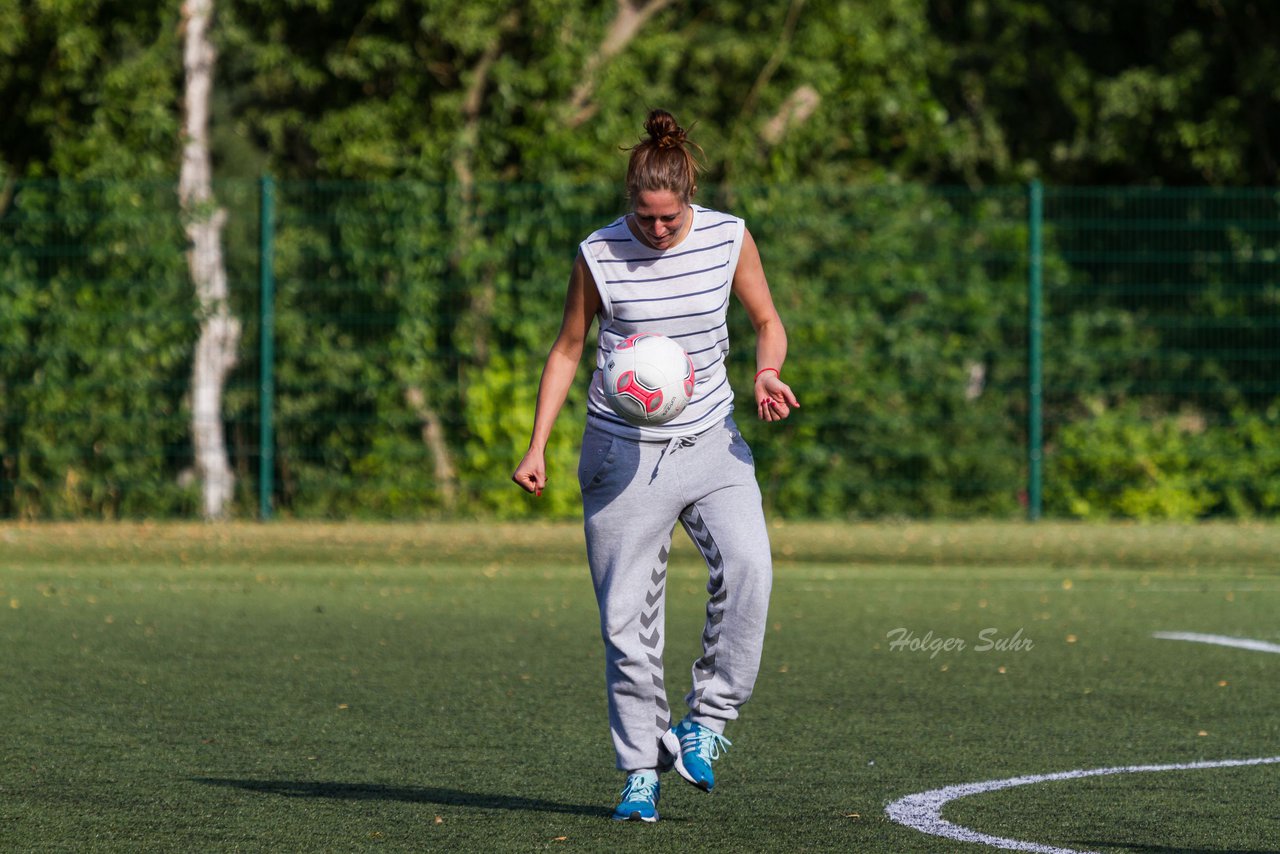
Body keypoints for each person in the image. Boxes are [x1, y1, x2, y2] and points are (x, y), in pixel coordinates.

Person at [512, 109, 799, 823]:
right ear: (629, 202)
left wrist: (768, 371)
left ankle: (705, 721)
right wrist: (537, 442)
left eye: (669, 218)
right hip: (620, 454)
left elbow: (767, 319)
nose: (658, 231)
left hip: (712, 444)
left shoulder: (729, 237)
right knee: (624, 622)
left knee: (751, 567)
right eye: (645, 217)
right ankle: (641, 769)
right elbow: (568, 349)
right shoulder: (598, 254)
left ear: (688, 198)